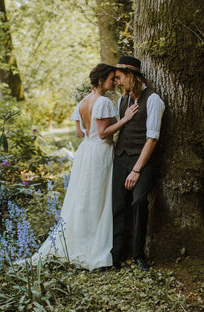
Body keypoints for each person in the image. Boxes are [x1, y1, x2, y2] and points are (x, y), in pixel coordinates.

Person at [28, 63, 138, 271]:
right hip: (100, 152)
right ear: (100, 81)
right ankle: (93, 244)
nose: (114, 82)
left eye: (116, 79)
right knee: (98, 198)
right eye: (111, 79)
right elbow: (104, 133)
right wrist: (125, 119)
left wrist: (93, 132)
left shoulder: (83, 102)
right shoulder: (103, 102)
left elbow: (80, 133)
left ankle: (79, 239)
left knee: (83, 197)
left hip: (85, 151)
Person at [111, 56, 165, 271]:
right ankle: (116, 256)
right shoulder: (122, 100)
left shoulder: (153, 100)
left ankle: (138, 254)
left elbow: (152, 138)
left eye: (119, 78)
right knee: (117, 206)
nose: (117, 82)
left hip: (141, 161)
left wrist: (136, 170)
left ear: (131, 76)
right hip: (121, 157)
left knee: (139, 202)